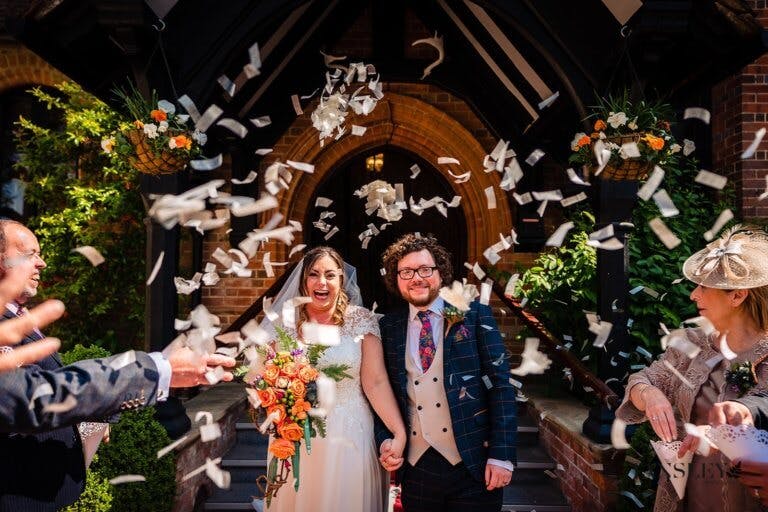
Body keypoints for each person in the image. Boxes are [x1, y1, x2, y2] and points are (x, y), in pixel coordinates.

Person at [0, 219, 236, 510]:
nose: (42, 263)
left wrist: (96, 409)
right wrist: (157, 369)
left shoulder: (17, 317)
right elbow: (33, 398)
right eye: (29, 254)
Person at [616, 225, 768, 511]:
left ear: (737, 296)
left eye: (704, 287)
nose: (693, 295)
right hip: (686, 498)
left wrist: (724, 433)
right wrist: (650, 394)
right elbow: (641, 379)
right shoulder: (691, 344)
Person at [375, 233, 517, 512]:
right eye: (406, 272)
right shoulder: (388, 328)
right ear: (396, 279)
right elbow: (380, 394)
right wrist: (384, 440)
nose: (417, 278)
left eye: (425, 269)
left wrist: (502, 454)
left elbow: (500, 385)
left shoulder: (474, 314)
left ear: (440, 273)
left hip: (474, 464)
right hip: (417, 468)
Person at [261, 246, 406, 512]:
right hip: (297, 435)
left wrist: (398, 431)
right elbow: (266, 378)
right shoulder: (284, 324)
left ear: (341, 280)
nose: (322, 282)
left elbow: (375, 382)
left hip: (350, 433)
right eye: (314, 274)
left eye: (330, 275)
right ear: (304, 280)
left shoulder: (361, 321)